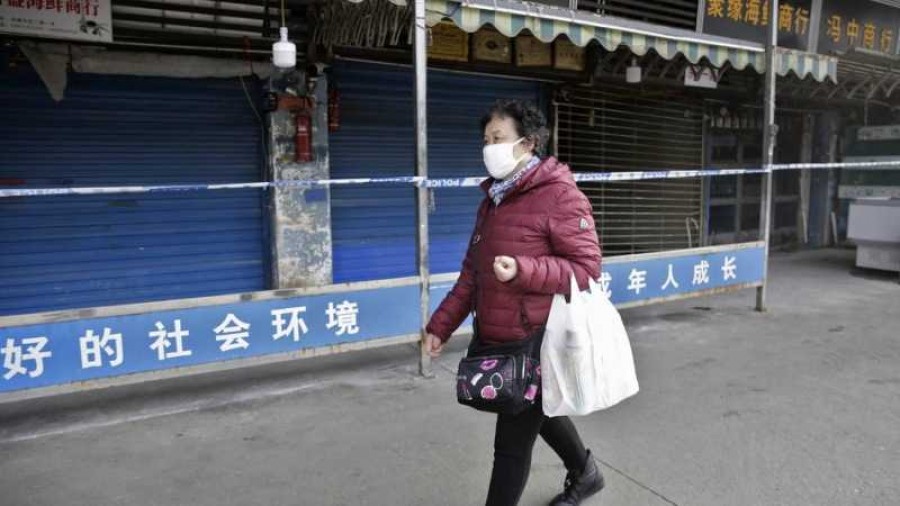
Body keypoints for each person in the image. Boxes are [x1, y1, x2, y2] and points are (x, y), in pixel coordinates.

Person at [425, 99, 605, 506]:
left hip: (535, 340)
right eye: (486, 139)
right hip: (498, 337)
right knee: (537, 407)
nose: (489, 147)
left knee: (510, 446)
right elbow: (472, 274)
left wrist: (524, 269)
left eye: (498, 138)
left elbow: (586, 268)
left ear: (528, 143)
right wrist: (441, 326)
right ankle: (586, 473)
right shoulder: (493, 201)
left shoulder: (559, 195)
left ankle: (584, 474)